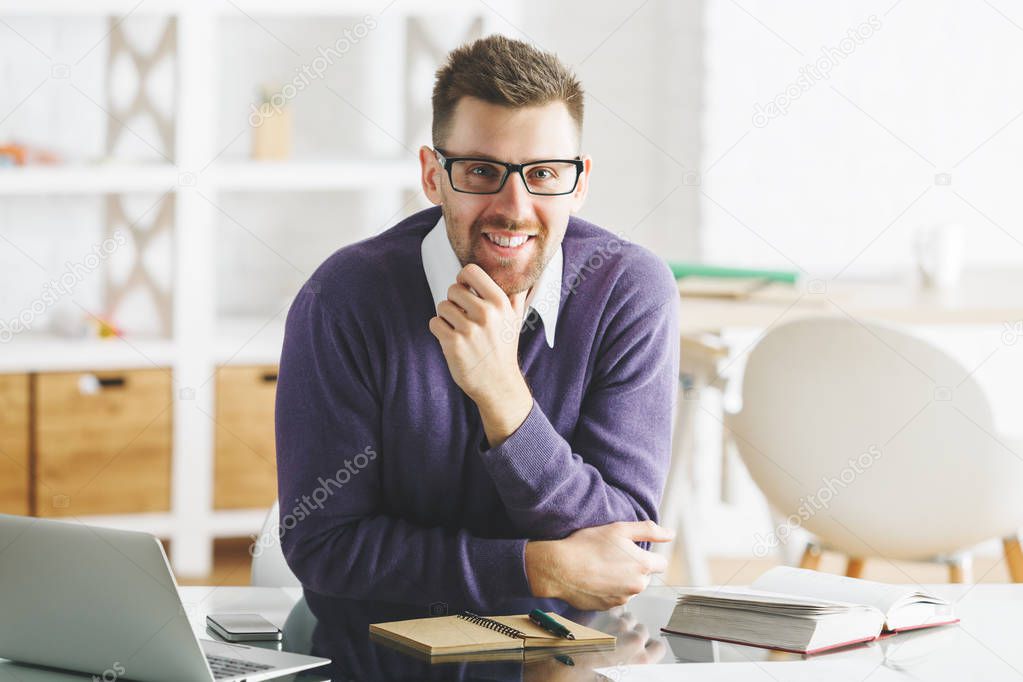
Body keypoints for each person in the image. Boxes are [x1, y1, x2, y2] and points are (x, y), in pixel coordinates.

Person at [275, 34, 680, 614]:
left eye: (543, 174)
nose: (514, 206)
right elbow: (324, 545)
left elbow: (627, 545)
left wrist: (504, 396)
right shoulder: (342, 298)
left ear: (580, 181)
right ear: (432, 175)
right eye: (482, 170)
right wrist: (533, 567)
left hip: (567, 657)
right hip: (379, 655)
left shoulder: (629, 292)